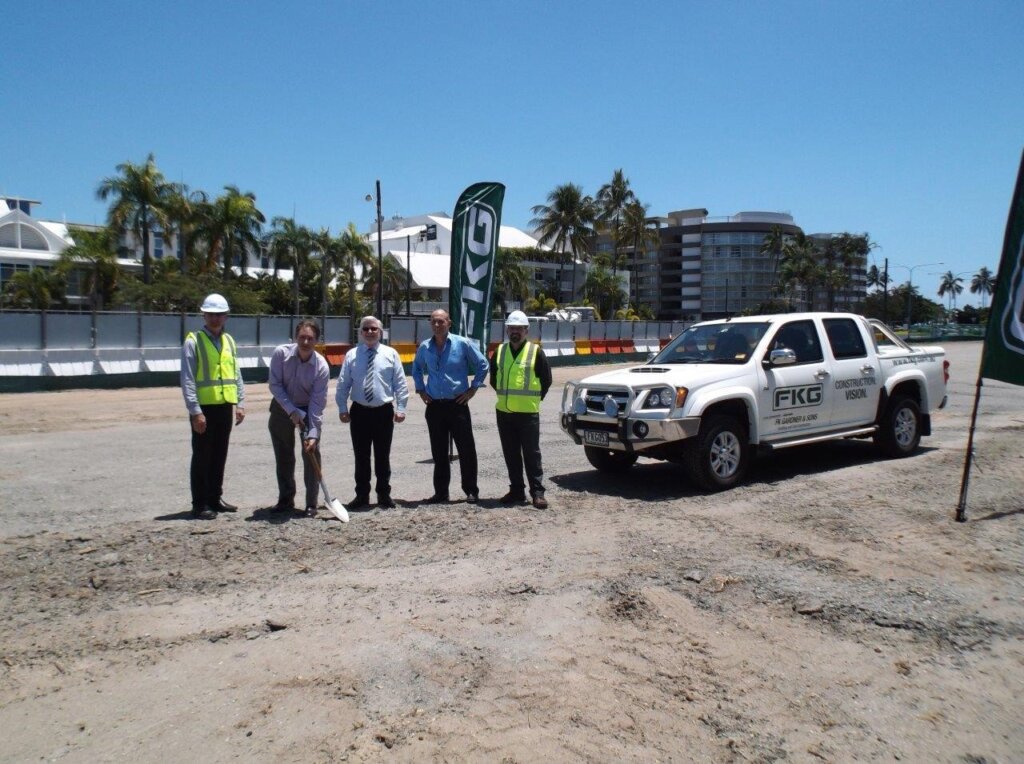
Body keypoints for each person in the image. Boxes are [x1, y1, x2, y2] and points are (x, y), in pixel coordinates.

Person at [412, 309, 489, 503]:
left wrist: (473, 389)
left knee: (466, 450)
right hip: (434, 406)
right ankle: (441, 492)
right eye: (434, 322)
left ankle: (471, 490)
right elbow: (416, 368)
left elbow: (482, 364)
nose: (437, 325)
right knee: (439, 451)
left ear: (449, 322)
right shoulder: (425, 347)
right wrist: (421, 390)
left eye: (441, 321)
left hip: (457, 405)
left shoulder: (462, 344)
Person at [181, 293, 245, 519]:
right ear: (203, 315)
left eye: (219, 315)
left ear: (226, 316)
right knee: (202, 456)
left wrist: (240, 402)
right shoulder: (193, 341)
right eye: (211, 314)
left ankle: (215, 498)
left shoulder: (229, 341)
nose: (215, 319)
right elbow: (188, 379)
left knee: (219, 454)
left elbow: (235, 374)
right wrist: (195, 411)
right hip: (204, 409)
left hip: (224, 406)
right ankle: (200, 503)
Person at [336, 316, 409, 509]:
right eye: (366, 329)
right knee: (361, 456)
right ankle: (362, 496)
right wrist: (342, 408)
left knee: (383, 456)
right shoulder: (352, 355)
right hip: (359, 412)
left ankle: (384, 495)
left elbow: (400, 383)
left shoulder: (391, 354)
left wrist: (401, 408)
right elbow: (343, 384)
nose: (370, 332)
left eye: (374, 329)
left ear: (380, 332)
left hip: (383, 412)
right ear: (360, 332)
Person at [490, 311, 552, 509]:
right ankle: (517, 490)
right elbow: (494, 379)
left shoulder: (535, 352)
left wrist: (533, 400)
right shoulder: (500, 351)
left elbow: (546, 380)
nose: (515, 331)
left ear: (526, 330)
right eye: (512, 328)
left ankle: (538, 493)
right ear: (507, 329)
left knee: (531, 454)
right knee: (511, 453)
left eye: (519, 328)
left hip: (527, 414)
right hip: (504, 412)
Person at [267, 320, 330, 516]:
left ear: (317, 341)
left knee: (311, 453)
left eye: (310, 338)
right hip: (281, 406)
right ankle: (285, 499)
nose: (305, 342)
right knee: (284, 455)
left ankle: (311, 503)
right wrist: (291, 411)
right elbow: (274, 385)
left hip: (307, 408)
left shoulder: (321, 366)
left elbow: (317, 403)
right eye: (302, 337)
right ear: (296, 337)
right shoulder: (280, 354)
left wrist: (313, 432)